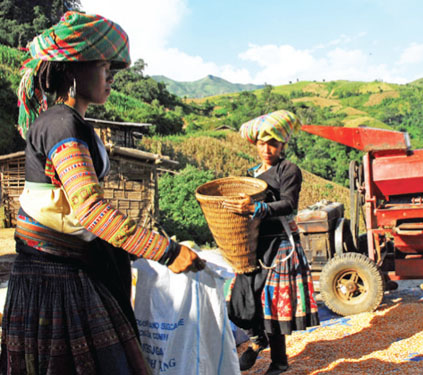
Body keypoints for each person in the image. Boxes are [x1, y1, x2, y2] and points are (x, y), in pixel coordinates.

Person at [0, 11, 204, 375]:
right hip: (57, 281)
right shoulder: (62, 124)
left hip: (69, 268)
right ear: (73, 69)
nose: (111, 76)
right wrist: (165, 251)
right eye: (103, 65)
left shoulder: (74, 123)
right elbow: (91, 210)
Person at [223, 110, 319, 375]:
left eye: (274, 143)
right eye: (263, 143)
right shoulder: (250, 174)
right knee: (240, 300)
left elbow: (288, 204)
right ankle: (257, 339)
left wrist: (256, 208)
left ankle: (279, 361)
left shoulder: (288, 170)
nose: (268, 149)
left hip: (280, 245)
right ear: (255, 144)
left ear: (282, 145)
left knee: (273, 305)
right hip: (252, 246)